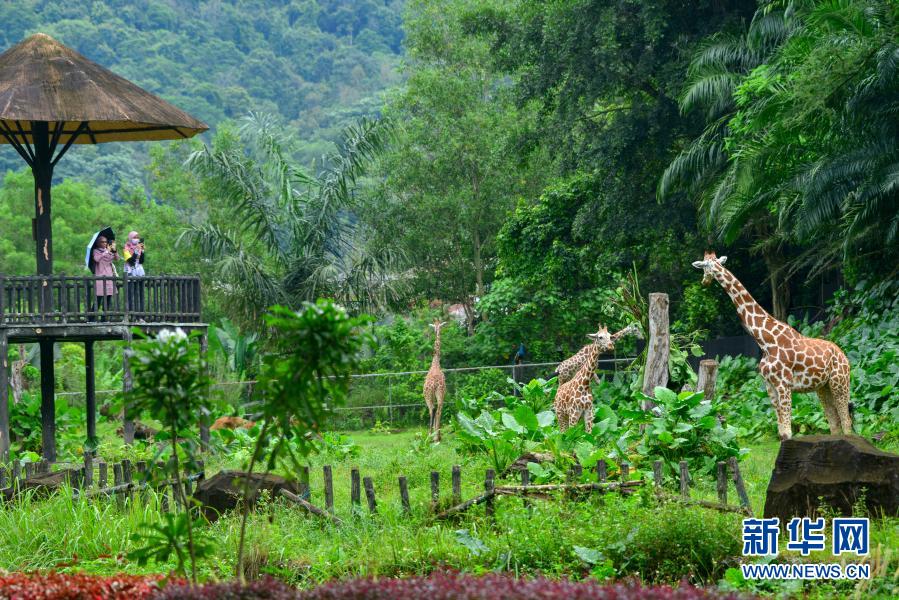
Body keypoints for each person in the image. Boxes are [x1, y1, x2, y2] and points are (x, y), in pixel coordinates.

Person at [92, 235, 119, 321]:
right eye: (102, 242)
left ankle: (104, 318)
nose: (104, 243)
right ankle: (91, 318)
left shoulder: (109, 251)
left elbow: (117, 259)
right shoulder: (96, 251)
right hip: (100, 276)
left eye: (106, 242)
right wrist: (106, 252)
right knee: (98, 299)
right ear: (98, 243)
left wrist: (114, 251)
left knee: (108, 299)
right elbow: (96, 259)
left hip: (109, 276)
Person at [123, 231, 146, 316]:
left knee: (140, 294)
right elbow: (131, 261)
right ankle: (130, 314)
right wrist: (136, 250)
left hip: (139, 272)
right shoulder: (126, 248)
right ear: (130, 238)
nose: (137, 239)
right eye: (135, 237)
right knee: (130, 294)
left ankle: (140, 315)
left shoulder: (139, 248)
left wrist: (142, 251)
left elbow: (141, 261)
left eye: (138, 237)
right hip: (130, 272)